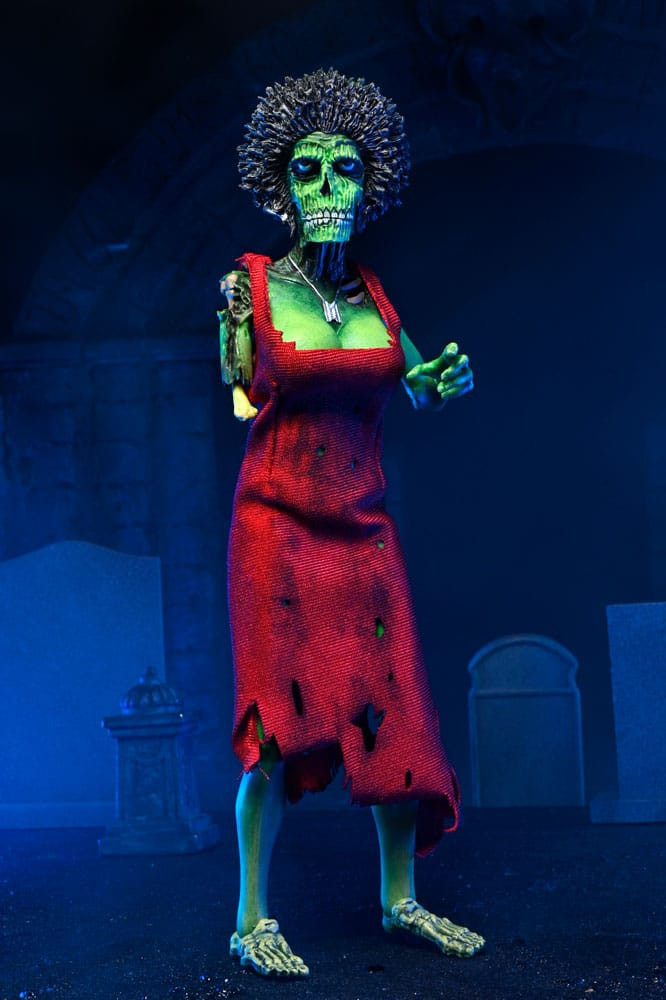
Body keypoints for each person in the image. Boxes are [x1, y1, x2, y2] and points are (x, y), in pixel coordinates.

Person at [219, 68, 484, 978]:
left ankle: (400, 898)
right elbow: (244, 398)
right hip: (276, 527)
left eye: (345, 169)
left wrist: (440, 382)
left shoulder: (374, 297)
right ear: (281, 188)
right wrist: (238, 336)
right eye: (308, 169)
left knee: (394, 709)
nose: (328, 186)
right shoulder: (252, 285)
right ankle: (251, 919)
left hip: (363, 530)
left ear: (370, 186)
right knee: (273, 722)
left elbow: (417, 385)